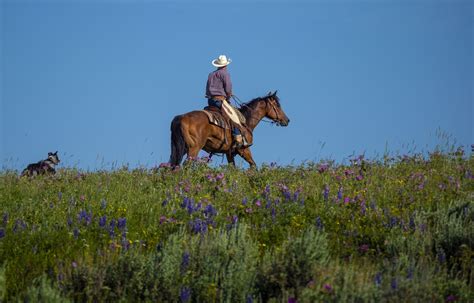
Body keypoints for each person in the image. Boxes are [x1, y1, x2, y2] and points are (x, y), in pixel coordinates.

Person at [205, 54, 251, 148]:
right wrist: (228, 96)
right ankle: (238, 138)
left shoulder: (211, 74)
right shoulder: (225, 74)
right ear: (226, 65)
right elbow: (228, 87)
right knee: (234, 116)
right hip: (220, 100)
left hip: (210, 101)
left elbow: (207, 89)